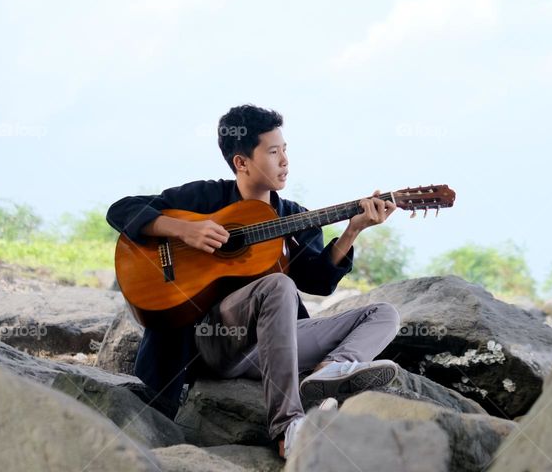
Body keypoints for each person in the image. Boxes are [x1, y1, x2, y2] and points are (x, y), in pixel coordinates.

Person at [106, 104, 402, 459]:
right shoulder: (206, 198)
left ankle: (330, 370)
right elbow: (121, 209)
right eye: (274, 152)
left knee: (385, 314)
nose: (285, 161)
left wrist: (352, 231)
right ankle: (289, 427)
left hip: (272, 347)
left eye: (286, 150)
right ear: (241, 162)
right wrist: (183, 229)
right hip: (212, 342)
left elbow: (320, 281)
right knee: (279, 285)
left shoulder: (294, 217)